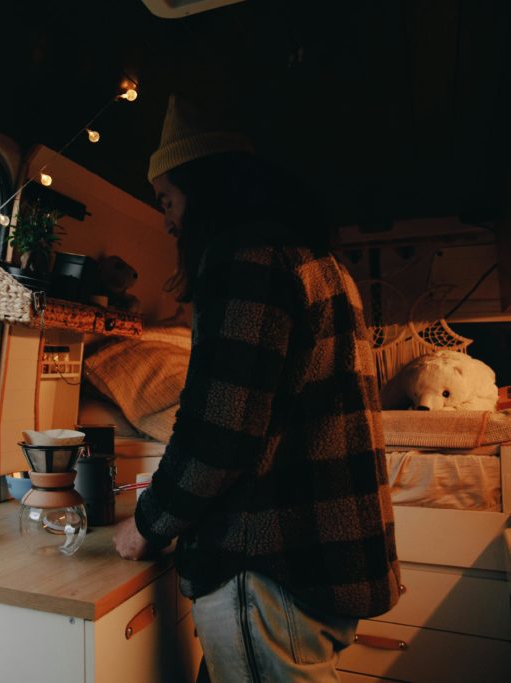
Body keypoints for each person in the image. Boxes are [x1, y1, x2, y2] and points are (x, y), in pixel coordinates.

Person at [113, 95, 401, 682]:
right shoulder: (317, 259)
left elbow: (218, 433)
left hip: (267, 566)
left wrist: (146, 524)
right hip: (319, 565)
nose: (167, 219)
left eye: (168, 199)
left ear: (206, 188)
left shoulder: (246, 259)